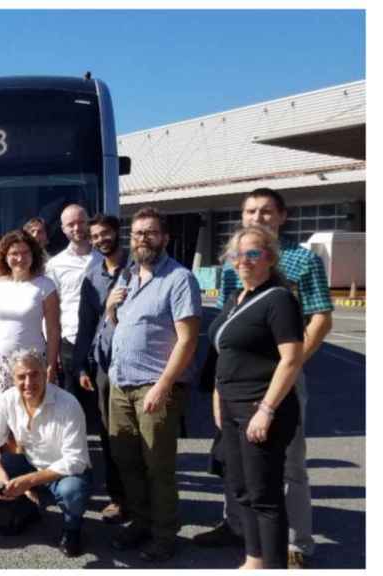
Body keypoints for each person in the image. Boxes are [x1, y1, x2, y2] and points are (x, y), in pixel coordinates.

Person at [195, 188, 333, 569]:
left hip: (275, 384)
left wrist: (283, 375)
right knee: (240, 474)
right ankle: (241, 532)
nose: (257, 217)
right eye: (250, 211)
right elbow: (227, 331)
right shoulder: (234, 272)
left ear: (282, 216)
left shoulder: (301, 262)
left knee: (285, 469)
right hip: (236, 389)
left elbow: (320, 318)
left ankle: (294, 545)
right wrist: (218, 392)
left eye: (266, 211)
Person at [105, 206, 202, 562]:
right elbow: (125, 328)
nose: (142, 238)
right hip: (121, 385)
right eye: (137, 233)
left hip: (154, 387)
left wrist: (164, 385)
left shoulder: (179, 279)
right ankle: (142, 522)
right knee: (126, 461)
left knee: (157, 466)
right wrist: (111, 309)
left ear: (164, 237)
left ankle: (164, 534)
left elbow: (187, 340)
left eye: (150, 232)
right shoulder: (129, 276)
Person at [206, 225, 305, 569]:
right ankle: (254, 560)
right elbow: (224, 354)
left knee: (265, 496)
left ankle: (274, 566)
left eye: (253, 254)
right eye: (237, 255)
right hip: (231, 408)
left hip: (260, 407)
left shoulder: (279, 299)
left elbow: (291, 358)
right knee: (242, 489)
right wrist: (218, 398)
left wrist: (266, 410)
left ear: (270, 258)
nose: (243, 261)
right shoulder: (236, 299)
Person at [0, 348, 92, 558]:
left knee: (72, 491)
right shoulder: (8, 399)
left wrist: (28, 481)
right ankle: (24, 511)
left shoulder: (68, 403)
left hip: (64, 471)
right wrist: (2, 476)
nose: (28, 382)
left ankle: (72, 528)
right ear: (13, 378)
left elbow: (75, 460)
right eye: (21, 377)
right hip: (30, 463)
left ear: (45, 373)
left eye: (34, 374)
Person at [0, 230, 60, 431]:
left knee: (31, 419)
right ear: (5, 256)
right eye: (14, 254)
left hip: (31, 365)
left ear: (33, 254)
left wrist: (51, 365)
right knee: (1, 421)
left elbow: (53, 330)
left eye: (25, 253)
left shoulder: (45, 285)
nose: (20, 258)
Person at [72, 213, 129, 524]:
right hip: (105, 366)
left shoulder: (138, 270)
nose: (100, 240)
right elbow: (86, 327)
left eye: (105, 233)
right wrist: (82, 365)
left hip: (139, 365)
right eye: (95, 237)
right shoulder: (93, 277)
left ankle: (145, 500)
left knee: (139, 436)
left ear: (117, 233)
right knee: (110, 435)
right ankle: (119, 499)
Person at [46, 204, 97, 395]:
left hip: (102, 342)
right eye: (71, 224)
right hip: (70, 342)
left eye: (81, 222)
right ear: (63, 229)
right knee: (72, 403)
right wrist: (54, 348)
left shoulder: (105, 258)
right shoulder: (55, 265)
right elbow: (50, 310)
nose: (77, 228)